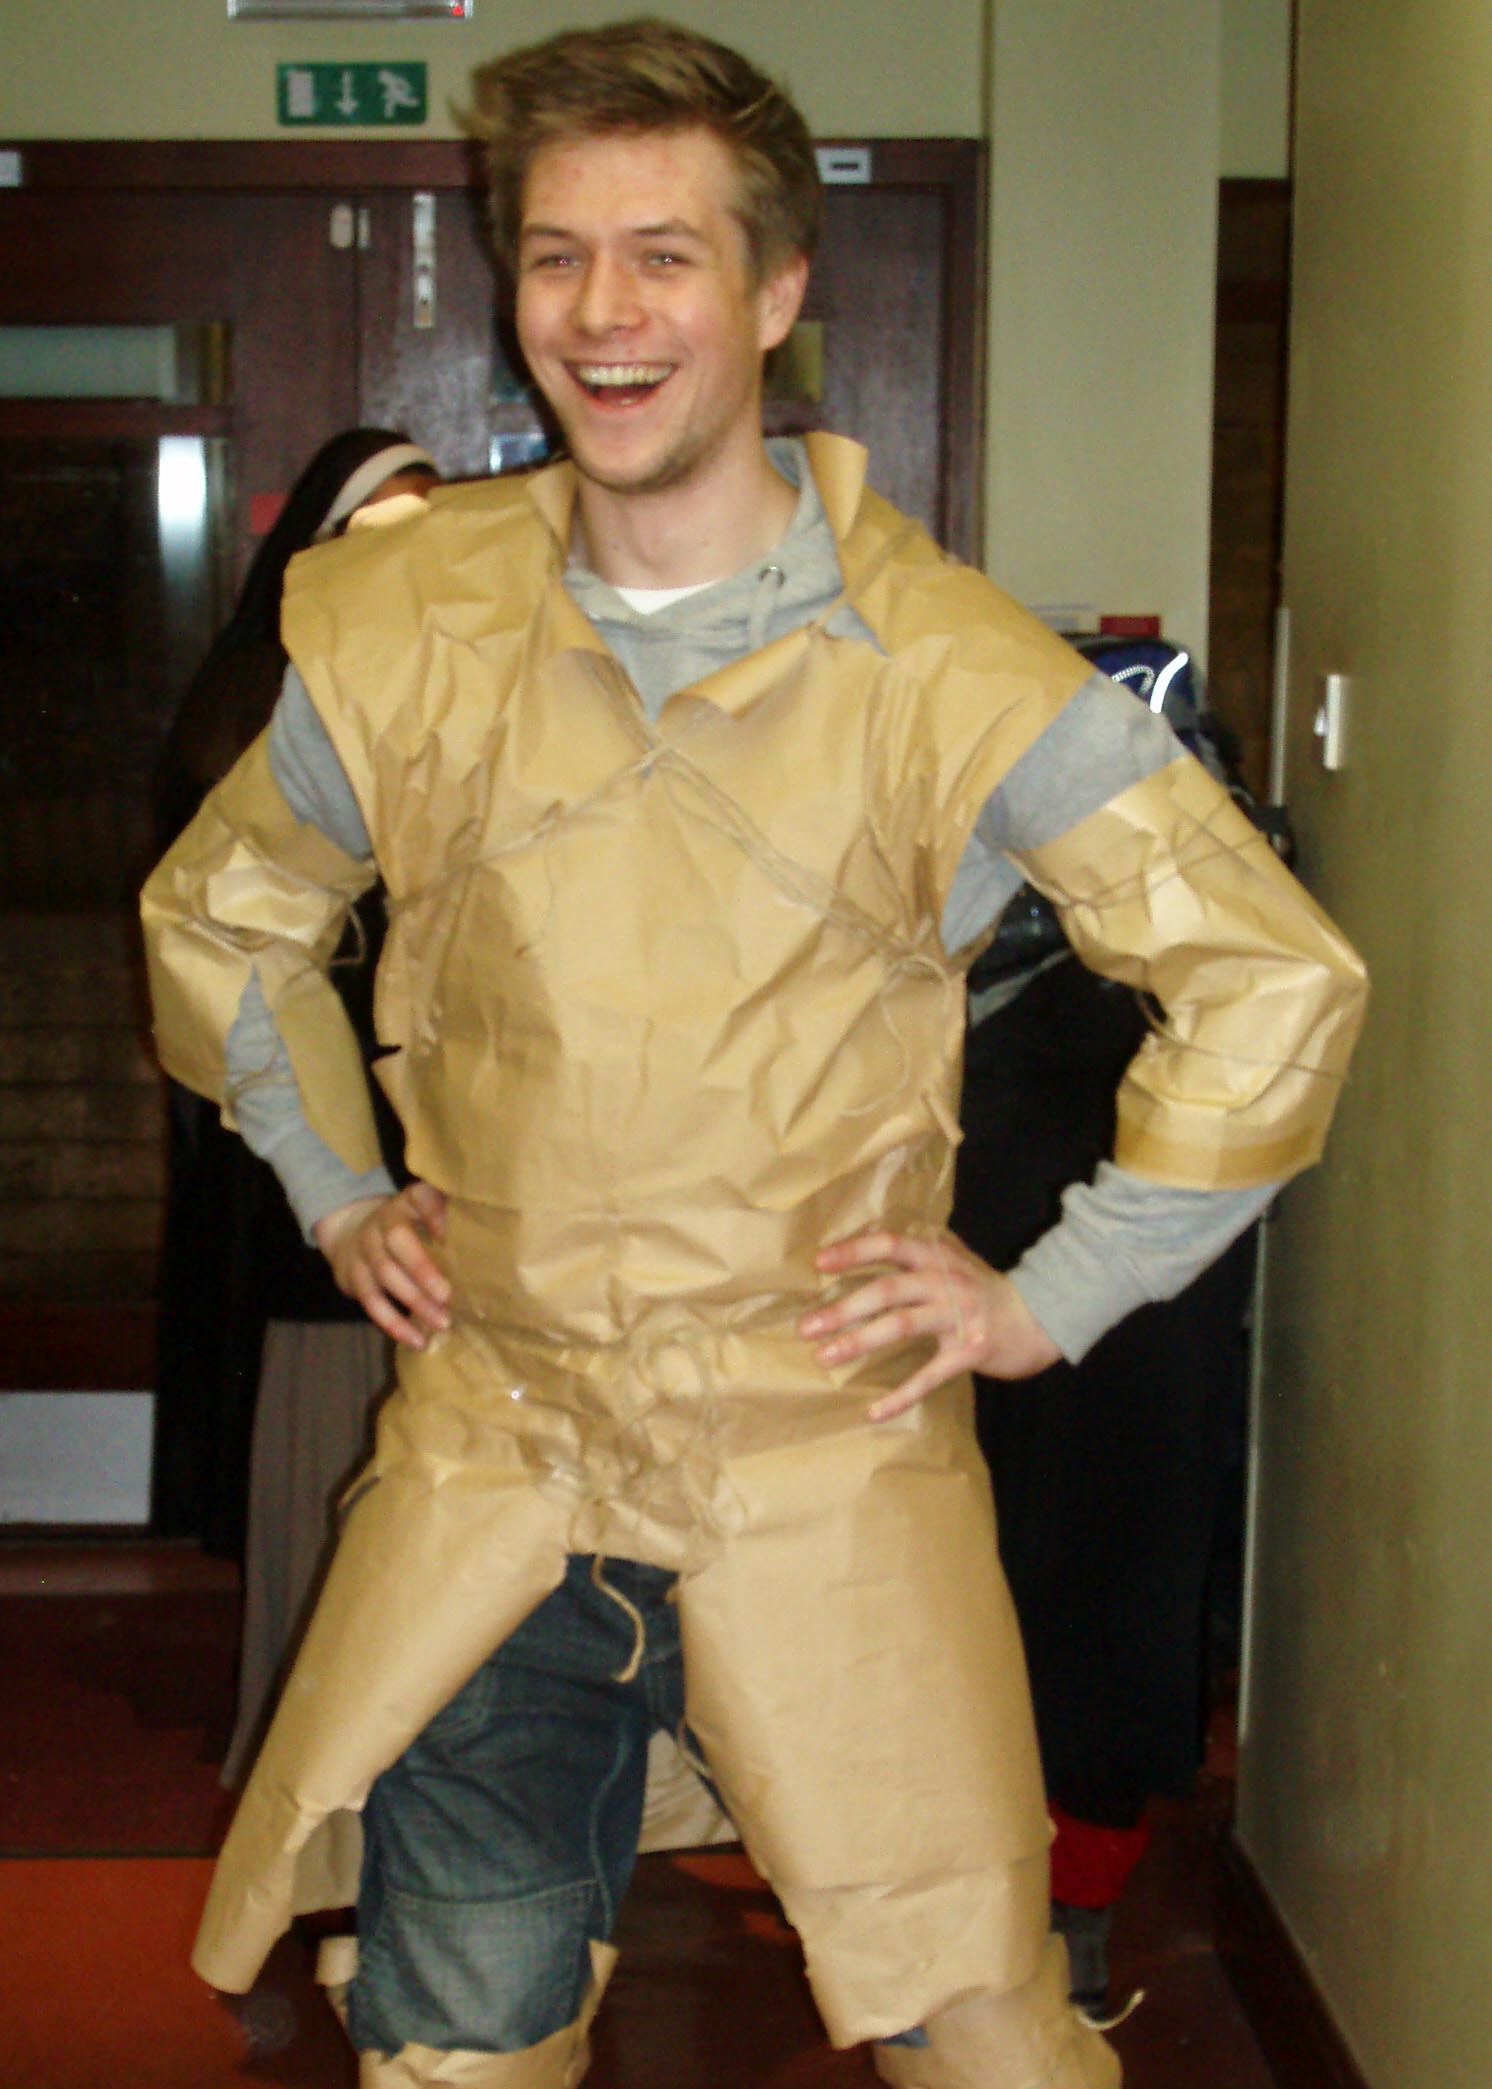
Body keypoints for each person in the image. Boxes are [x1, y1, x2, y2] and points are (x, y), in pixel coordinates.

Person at [141, 21, 1367, 2089]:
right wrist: (340, 1192)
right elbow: (225, 912)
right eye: (554, 257)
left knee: (982, 2033)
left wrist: (1043, 1296)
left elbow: (1269, 974)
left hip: (824, 1472)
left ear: (777, 288)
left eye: (663, 255)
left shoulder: (946, 668)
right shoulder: (410, 625)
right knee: (457, 2040)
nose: (600, 314)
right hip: (498, 1465)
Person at [150, 429, 439, 1779]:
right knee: (333, 1430)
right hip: (305, 1157)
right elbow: (227, 954)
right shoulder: (252, 712)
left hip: (421, 1140)